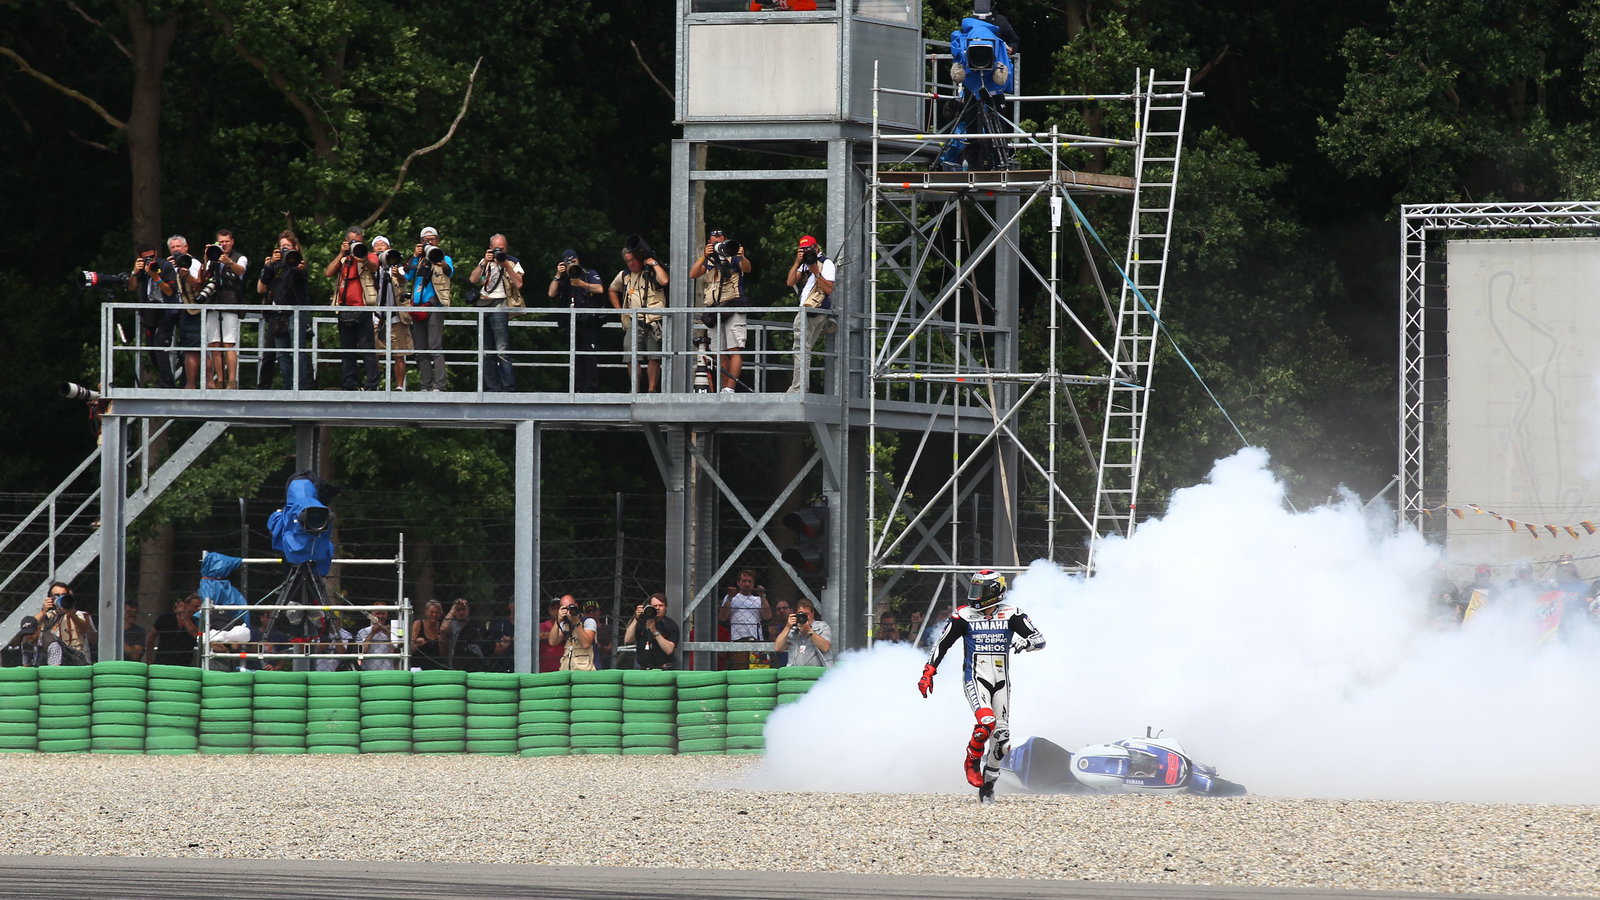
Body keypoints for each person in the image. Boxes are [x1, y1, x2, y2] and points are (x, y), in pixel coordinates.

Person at [918, 569, 1046, 802]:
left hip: (1002, 682)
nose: (975, 595)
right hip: (976, 678)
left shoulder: (1012, 613)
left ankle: (987, 788)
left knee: (1002, 741)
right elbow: (942, 643)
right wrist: (929, 671)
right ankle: (972, 758)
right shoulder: (963, 615)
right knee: (986, 722)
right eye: (974, 589)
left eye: (981, 590)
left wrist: (1025, 643)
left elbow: (1040, 639)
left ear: (995, 592)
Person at [688, 228, 752, 393]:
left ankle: (730, 389)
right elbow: (693, 274)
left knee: (734, 349)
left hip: (734, 305)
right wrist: (704, 255)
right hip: (715, 309)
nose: (716, 243)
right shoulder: (708, 260)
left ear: (725, 240)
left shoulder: (733, 255)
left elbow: (747, 268)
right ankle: (724, 388)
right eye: (713, 241)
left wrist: (741, 255)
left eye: (719, 241)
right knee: (718, 352)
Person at [324, 225, 381, 391]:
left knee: (367, 348)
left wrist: (361, 257)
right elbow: (328, 272)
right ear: (346, 242)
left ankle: (372, 384)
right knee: (347, 349)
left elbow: (374, 267)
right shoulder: (344, 259)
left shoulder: (368, 255)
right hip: (344, 308)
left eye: (358, 241)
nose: (355, 244)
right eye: (352, 241)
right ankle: (350, 384)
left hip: (363, 308)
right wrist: (342, 253)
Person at [607, 240, 669, 392]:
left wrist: (654, 264)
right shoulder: (624, 275)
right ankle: (634, 389)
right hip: (634, 321)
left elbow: (665, 280)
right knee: (631, 356)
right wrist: (619, 311)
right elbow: (612, 289)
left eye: (633, 260)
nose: (631, 263)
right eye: (628, 261)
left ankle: (651, 389)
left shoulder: (653, 271)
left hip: (654, 320)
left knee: (654, 357)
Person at [468, 233, 525, 392]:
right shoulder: (485, 260)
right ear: (490, 248)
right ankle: (492, 387)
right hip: (483, 304)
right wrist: (484, 262)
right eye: (496, 248)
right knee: (486, 350)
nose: (499, 251)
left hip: (500, 302)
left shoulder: (512, 262)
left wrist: (505, 264)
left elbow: (519, 283)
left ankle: (508, 387)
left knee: (502, 349)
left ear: (506, 248)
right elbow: (472, 279)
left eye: (502, 248)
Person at [257, 230, 313, 389]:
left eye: (287, 246)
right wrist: (269, 265)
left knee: (298, 351)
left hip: (296, 312)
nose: (284, 250)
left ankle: (301, 387)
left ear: (295, 247)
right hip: (277, 314)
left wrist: (295, 264)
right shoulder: (275, 266)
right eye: (282, 247)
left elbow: (302, 274)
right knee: (281, 354)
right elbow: (262, 285)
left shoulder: (299, 263)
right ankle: (288, 386)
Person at [547, 249, 606, 392]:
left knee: (589, 356)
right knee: (575, 357)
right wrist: (558, 275)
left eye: (574, 262)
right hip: (571, 323)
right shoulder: (564, 278)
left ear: (578, 260)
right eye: (569, 263)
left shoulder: (588, 273)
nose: (572, 265)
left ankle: (591, 390)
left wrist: (581, 283)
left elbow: (600, 289)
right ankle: (577, 389)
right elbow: (551, 293)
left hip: (588, 321)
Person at [784, 234, 836, 393]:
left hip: (813, 310)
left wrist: (816, 272)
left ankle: (798, 389)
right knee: (803, 350)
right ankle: (800, 387)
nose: (807, 252)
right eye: (803, 249)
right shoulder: (804, 264)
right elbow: (790, 282)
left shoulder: (826, 263)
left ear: (816, 247)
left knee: (801, 349)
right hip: (805, 309)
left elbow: (828, 289)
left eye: (809, 249)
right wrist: (797, 262)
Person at [405, 226, 454, 392]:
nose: (429, 242)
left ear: (437, 241)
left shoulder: (443, 257)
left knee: (434, 346)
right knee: (420, 348)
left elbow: (449, 271)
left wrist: (439, 261)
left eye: (432, 239)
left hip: (435, 305)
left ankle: (439, 385)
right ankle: (425, 385)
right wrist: (415, 256)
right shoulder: (418, 260)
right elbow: (407, 276)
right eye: (426, 240)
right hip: (417, 306)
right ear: (420, 242)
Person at [128, 241, 179, 388]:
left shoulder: (165, 266)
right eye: (146, 259)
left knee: (160, 344)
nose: (149, 261)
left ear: (156, 253)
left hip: (166, 309)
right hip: (150, 309)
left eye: (151, 257)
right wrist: (134, 272)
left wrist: (155, 276)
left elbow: (170, 291)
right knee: (151, 347)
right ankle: (165, 378)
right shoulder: (141, 268)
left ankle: (166, 382)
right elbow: (131, 287)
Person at [205, 229, 248, 389]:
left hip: (230, 304)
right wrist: (207, 256)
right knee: (214, 345)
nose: (224, 244)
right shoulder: (212, 258)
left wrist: (228, 261)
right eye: (221, 242)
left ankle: (232, 380)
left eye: (226, 241)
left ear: (232, 242)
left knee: (229, 344)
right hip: (213, 303)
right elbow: (204, 276)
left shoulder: (240, 257)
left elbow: (241, 271)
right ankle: (220, 379)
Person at [369, 235, 411, 390]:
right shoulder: (372, 268)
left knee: (399, 353)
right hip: (376, 314)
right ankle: (375, 384)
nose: (380, 247)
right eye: (376, 245)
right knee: (375, 352)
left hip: (395, 315)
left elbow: (403, 280)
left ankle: (399, 386)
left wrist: (397, 274)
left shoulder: (397, 267)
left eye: (383, 244)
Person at [166, 235, 206, 388]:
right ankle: (189, 384)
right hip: (181, 311)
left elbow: (200, 287)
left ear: (186, 248)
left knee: (195, 349)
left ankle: (195, 385)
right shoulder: (170, 265)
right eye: (173, 247)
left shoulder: (193, 263)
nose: (176, 250)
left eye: (178, 246)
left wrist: (186, 275)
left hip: (195, 310)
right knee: (189, 349)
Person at [719, 568, 770, 669]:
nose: (747, 584)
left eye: (750, 581)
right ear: (738, 583)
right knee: (741, 672)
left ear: (753, 583)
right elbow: (722, 618)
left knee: (759, 672)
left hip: (757, 641)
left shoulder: (758, 599)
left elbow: (767, 616)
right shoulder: (731, 598)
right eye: (744, 581)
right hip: (738, 640)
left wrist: (763, 596)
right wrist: (729, 598)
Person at [39, 583, 95, 666]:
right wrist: (43, 611)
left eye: (64, 595)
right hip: (56, 662)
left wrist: (71, 614)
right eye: (57, 596)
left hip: (79, 662)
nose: (61, 598)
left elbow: (85, 631)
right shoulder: (48, 616)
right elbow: (29, 628)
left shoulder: (81, 615)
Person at [624, 592, 680, 670]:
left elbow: (669, 650)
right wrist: (636, 618)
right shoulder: (641, 622)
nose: (657, 608)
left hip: (663, 669)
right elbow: (627, 640)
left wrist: (655, 631)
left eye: (660, 605)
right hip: (642, 668)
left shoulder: (670, 625)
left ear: (666, 607)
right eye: (655, 606)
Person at [145, 593, 201, 666]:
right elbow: (151, 637)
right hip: (162, 661)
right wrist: (149, 659)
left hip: (184, 664)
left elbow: (198, 635)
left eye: (199, 608)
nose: (197, 610)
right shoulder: (166, 617)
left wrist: (184, 617)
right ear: (185, 605)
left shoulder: (197, 621)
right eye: (195, 607)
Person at [774, 598, 833, 667]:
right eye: (801, 614)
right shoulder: (792, 630)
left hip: (817, 674)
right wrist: (787, 627)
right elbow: (778, 648)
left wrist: (809, 631)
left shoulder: (822, 626)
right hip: (795, 673)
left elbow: (825, 647)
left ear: (812, 613)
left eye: (806, 614)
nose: (804, 617)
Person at [547, 594, 598, 671]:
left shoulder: (588, 621)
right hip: (567, 668)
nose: (569, 611)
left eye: (571, 607)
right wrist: (558, 621)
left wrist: (576, 622)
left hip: (586, 669)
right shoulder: (564, 624)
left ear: (576, 605)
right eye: (565, 608)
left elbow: (586, 644)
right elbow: (552, 642)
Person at [441, 597, 486, 670]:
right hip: (454, 664)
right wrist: (453, 609)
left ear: (468, 610)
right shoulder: (451, 625)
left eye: (463, 609)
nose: (461, 612)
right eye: (458, 610)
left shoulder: (475, 625)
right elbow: (443, 629)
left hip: (473, 664)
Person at [410, 599, 446, 669]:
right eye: (431, 612)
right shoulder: (418, 624)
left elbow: (444, 655)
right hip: (418, 666)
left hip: (436, 666)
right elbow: (410, 650)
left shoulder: (442, 627)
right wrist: (417, 644)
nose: (434, 614)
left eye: (437, 612)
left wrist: (441, 643)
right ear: (426, 612)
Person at [538, 597, 566, 673]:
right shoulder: (543, 626)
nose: (556, 611)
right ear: (549, 610)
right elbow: (538, 635)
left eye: (559, 608)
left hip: (564, 668)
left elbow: (568, 634)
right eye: (553, 608)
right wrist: (561, 635)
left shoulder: (567, 625)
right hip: (545, 669)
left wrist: (547, 635)